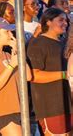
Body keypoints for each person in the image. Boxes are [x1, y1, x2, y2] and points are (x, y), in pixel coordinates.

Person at [0, 17, 32, 135]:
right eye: (6, 31)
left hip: (18, 109)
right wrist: (12, 65)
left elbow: (28, 76)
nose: (10, 34)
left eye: (10, 31)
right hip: (3, 111)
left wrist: (19, 51)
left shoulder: (8, 54)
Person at [28, 8, 72, 136]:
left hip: (68, 105)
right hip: (51, 108)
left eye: (66, 20)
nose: (65, 23)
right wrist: (65, 74)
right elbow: (34, 75)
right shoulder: (38, 43)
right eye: (61, 20)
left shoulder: (65, 43)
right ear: (48, 22)